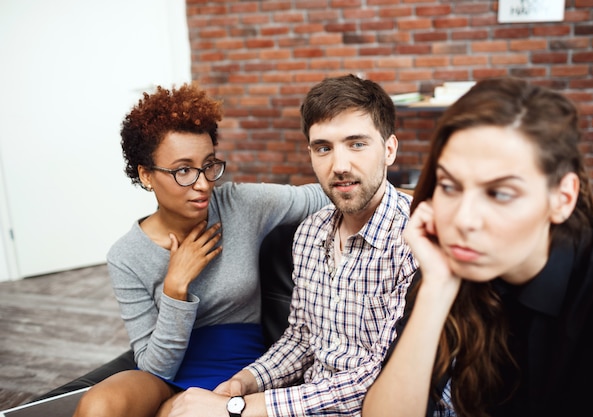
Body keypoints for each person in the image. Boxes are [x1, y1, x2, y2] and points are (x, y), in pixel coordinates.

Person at [362, 77, 593, 417]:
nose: (464, 220)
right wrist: (436, 290)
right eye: (449, 186)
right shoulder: (453, 262)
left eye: (500, 193)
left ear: (563, 198)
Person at [167, 74, 419, 417]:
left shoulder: (415, 242)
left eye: (357, 144)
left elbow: (385, 375)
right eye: (324, 148)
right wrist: (244, 382)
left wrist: (243, 407)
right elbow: (301, 339)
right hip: (305, 405)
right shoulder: (311, 234)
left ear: (389, 150)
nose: (340, 165)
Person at [72, 83, 330, 417]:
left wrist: (405, 193)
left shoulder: (240, 205)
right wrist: (175, 288)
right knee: (98, 406)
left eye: (208, 165)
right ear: (146, 175)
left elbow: (325, 193)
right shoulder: (126, 256)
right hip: (165, 378)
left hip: (238, 377)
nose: (203, 183)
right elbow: (154, 367)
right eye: (183, 170)